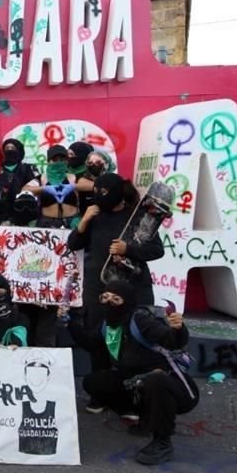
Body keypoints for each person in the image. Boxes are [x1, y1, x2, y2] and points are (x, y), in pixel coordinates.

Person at [67, 280, 199, 465]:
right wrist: (69, 321)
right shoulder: (108, 326)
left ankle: (162, 442)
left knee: (155, 380)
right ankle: (141, 414)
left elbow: (172, 340)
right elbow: (90, 343)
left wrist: (178, 329)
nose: (108, 303)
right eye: (104, 298)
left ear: (127, 302)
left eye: (116, 299)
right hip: (135, 383)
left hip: (171, 386)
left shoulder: (140, 320)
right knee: (94, 382)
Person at [68, 172, 165, 411]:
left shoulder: (137, 218)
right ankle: (100, 394)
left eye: (103, 193)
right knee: (97, 341)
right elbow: (73, 244)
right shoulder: (95, 215)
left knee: (134, 341)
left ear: (118, 194)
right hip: (98, 287)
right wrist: (84, 222)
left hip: (133, 287)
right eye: (96, 193)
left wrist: (128, 248)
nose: (98, 198)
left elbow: (156, 250)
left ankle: (135, 397)